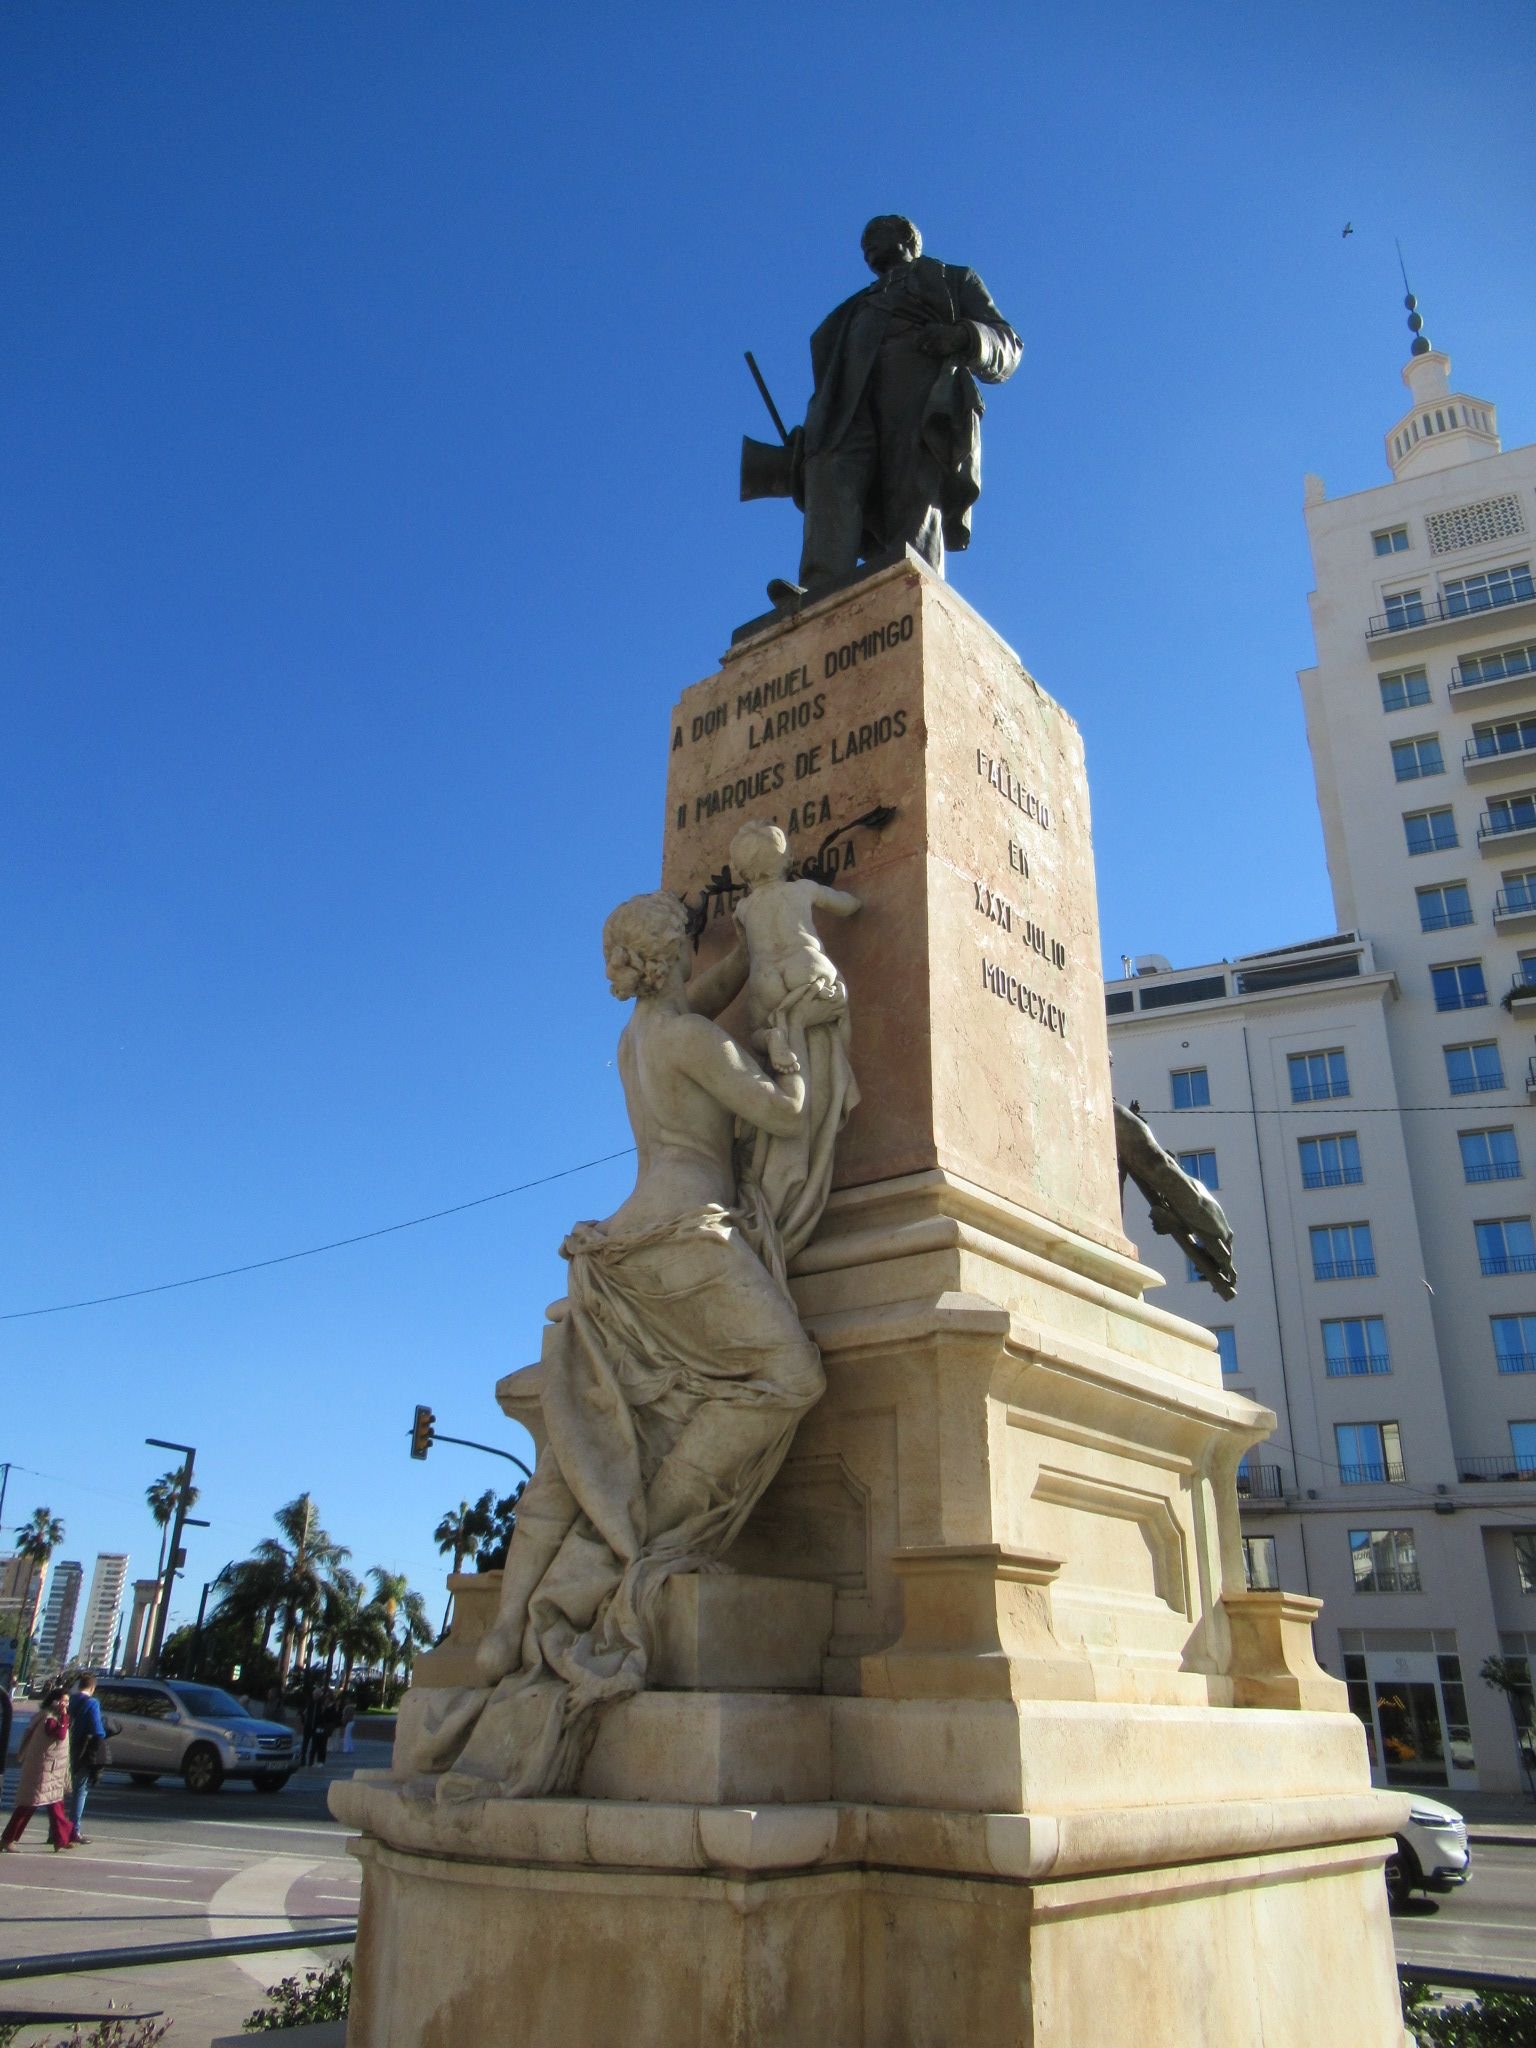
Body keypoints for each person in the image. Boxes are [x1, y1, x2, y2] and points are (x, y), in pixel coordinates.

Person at [401, 893, 828, 1800]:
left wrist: (750, 952)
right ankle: (646, 1535)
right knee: (787, 1375)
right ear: (672, 954)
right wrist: (792, 1058)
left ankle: (509, 1620)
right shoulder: (693, 1043)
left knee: (595, 1421)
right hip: (686, 1241)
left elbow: (699, 998)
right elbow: (783, 1116)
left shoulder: (643, 1036)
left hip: (620, 1241)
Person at [789, 214, 1021, 596]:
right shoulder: (852, 310)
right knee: (830, 471)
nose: (866, 248)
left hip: (922, 392)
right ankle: (818, 590)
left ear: (907, 238)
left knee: (914, 488)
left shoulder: (952, 279)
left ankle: (914, 586)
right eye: (863, 243)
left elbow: (1007, 344)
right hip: (848, 402)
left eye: (874, 236)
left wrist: (961, 336)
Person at [2, 1686, 75, 1851]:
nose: (66, 1704)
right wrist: (64, 1716)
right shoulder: (49, 1718)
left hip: (52, 1770)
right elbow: (60, 1734)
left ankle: (62, 1838)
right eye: (63, 1701)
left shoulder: (50, 1717)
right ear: (55, 1702)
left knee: (56, 1805)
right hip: (43, 1770)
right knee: (29, 1804)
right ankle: (8, 1838)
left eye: (67, 1701)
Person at [65, 1672, 108, 1842]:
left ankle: (55, 1830)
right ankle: (74, 1830)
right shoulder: (92, 1703)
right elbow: (97, 1731)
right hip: (81, 1751)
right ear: (92, 1688)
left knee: (58, 1792)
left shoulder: (68, 1700)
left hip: (63, 1748)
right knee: (79, 1790)